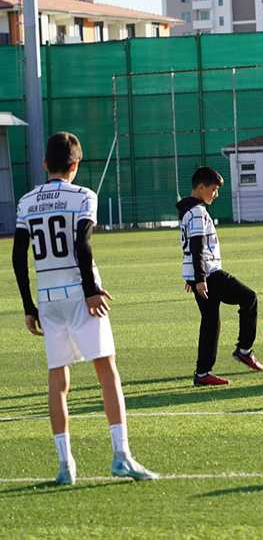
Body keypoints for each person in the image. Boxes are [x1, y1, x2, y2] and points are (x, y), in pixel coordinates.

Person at [12, 132, 158, 484]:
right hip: (79, 293)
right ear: (75, 165)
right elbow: (82, 242)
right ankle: (121, 455)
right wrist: (92, 290)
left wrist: (29, 307)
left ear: (45, 164)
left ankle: (66, 466)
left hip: (47, 298)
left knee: (57, 378)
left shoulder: (27, 201)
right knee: (106, 370)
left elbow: (18, 258)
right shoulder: (83, 196)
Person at [178, 167, 263, 386]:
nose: (215, 194)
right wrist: (199, 279)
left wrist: (192, 277)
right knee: (249, 298)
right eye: (213, 189)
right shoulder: (197, 211)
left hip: (200, 275)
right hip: (210, 274)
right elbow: (196, 246)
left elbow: (189, 248)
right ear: (201, 187)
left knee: (210, 322)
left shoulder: (188, 210)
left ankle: (202, 373)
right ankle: (244, 349)